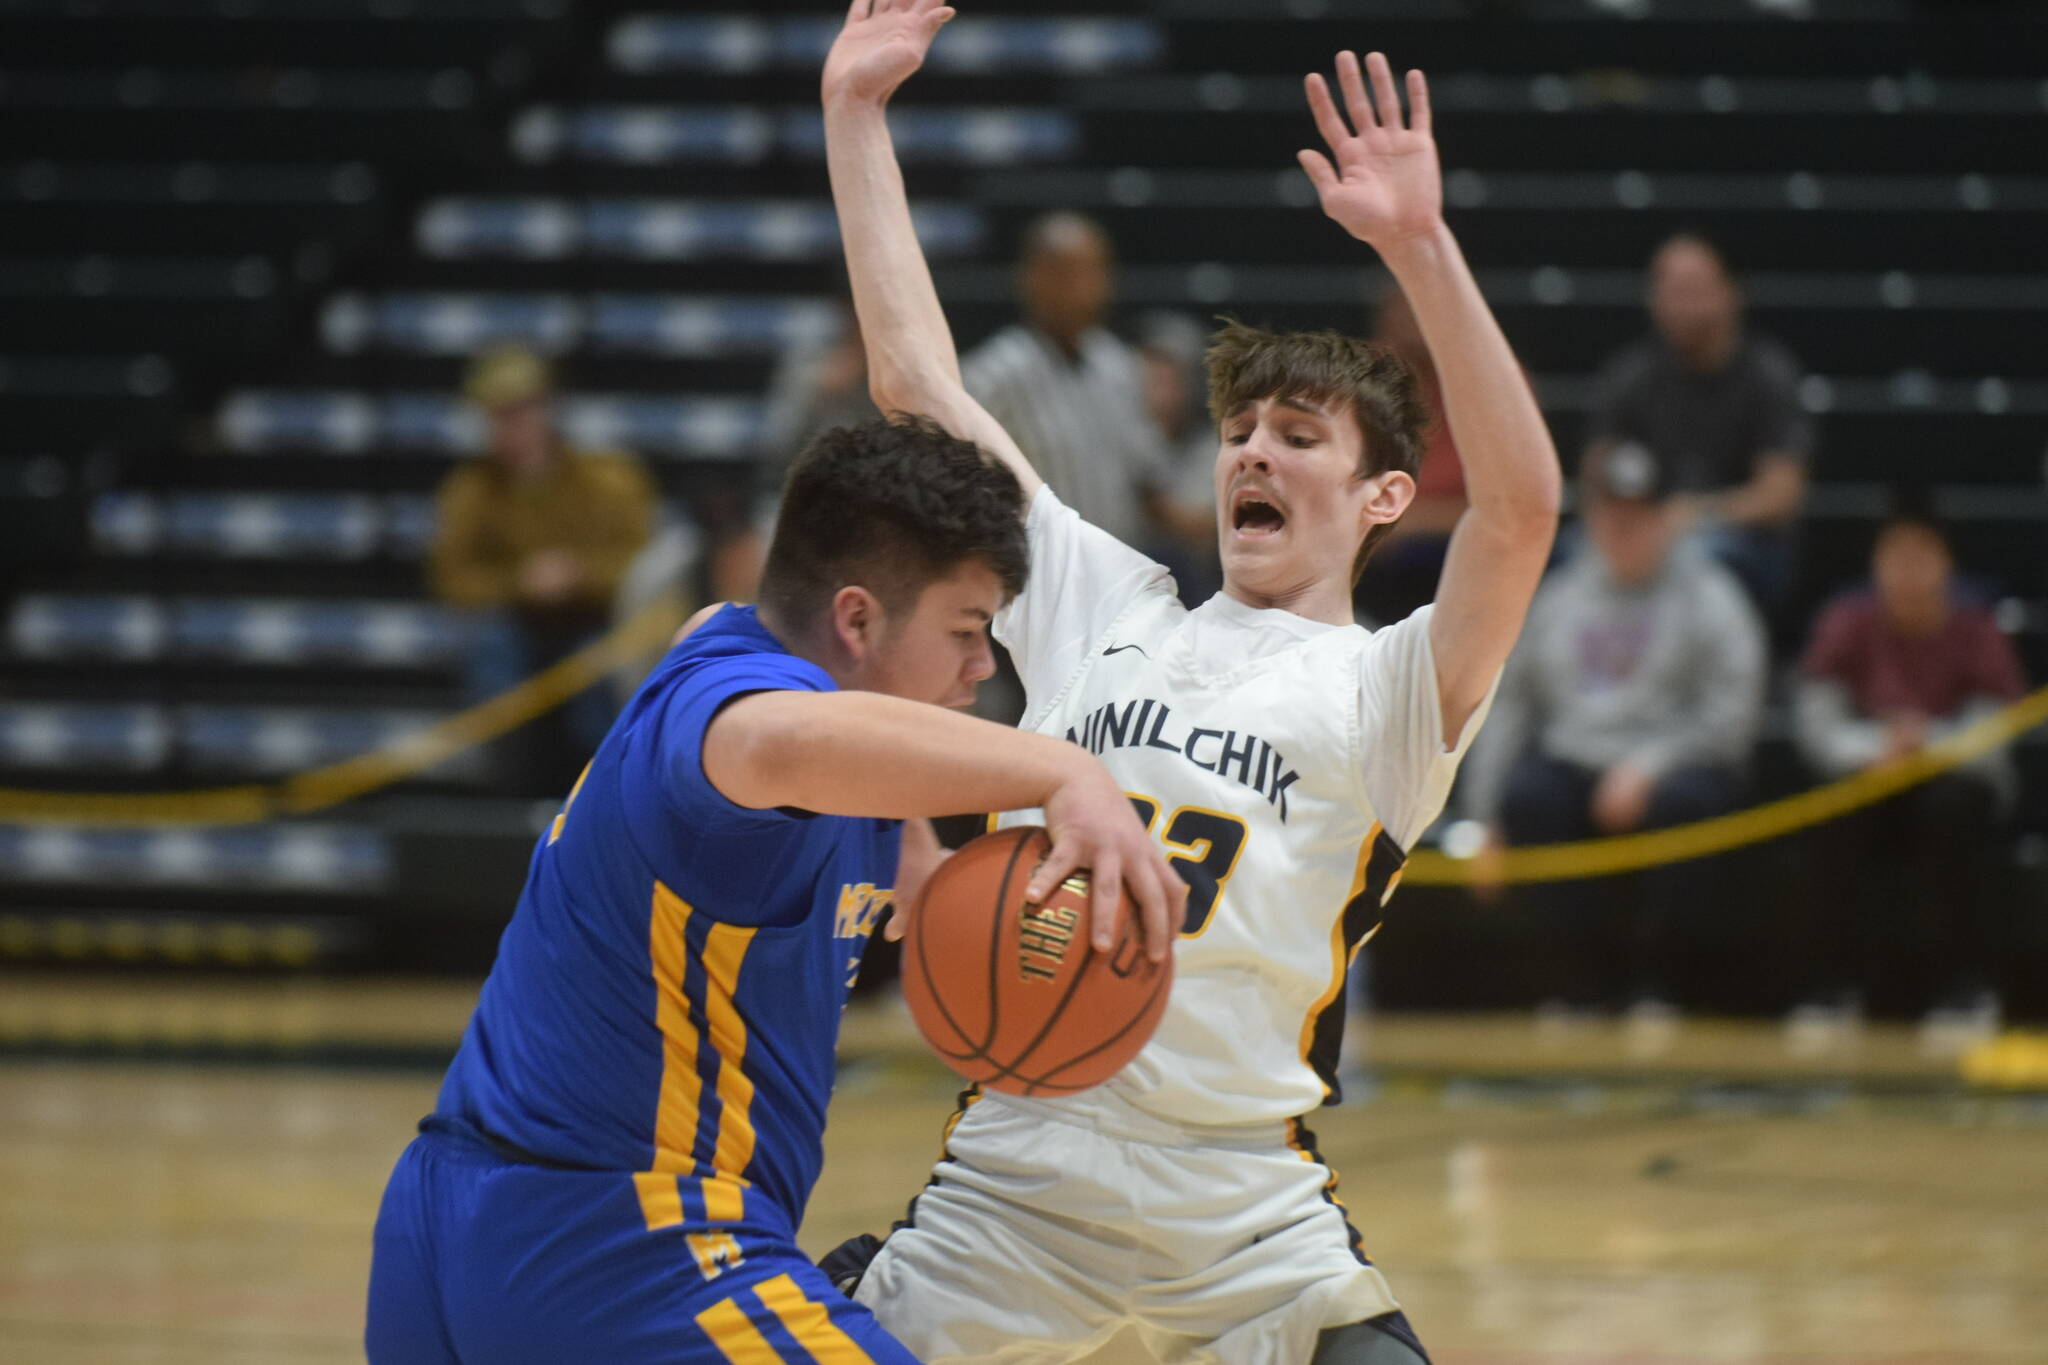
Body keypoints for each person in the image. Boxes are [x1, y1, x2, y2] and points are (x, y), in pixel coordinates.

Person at [822, 6, 1560, 1360]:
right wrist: (856, 116)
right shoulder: (1109, 595)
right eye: (1235, 433)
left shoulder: (1391, 684)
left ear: (1385, 491)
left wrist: (1419, 247)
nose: (1251, 458)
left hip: (1243, 1205)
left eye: (1295, 435)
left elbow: (1519, 515)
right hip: (1016, 1172)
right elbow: (916, 379)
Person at [367, 412, 1183, 1363]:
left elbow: (798, 703)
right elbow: (774, 740)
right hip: (628, 1237)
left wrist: (910, 831)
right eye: (966, 629)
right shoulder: (734, 727)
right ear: (856, 617)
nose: (982, 664)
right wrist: (1066, 774)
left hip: (447, 1218)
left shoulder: (718, 641)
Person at [1460, 442, 1765, 1014]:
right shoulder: (1558, 597)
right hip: (1576, 762)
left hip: (1674, 770)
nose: (1625, 529)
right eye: (1612, 512)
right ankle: (1575, 991)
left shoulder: (1714, 599)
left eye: (1641, 514)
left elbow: (1731, 719)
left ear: (1668, 516)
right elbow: (1511, 709)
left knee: (1688, 807)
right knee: (1529, 800)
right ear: (1594, 515)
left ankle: (1664, 988)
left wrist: (1649, 768)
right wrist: (1483, 819)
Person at [1792, 508, 2028, 1044]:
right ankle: (1831, 989)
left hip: (1955, 776)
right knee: (1835, 813)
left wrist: (1929, 748)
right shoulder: (1847, 620)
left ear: (1947, 564)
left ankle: (1965, 990)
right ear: (1875, 564)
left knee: (1951, 814)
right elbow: (1817, 720)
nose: (1909, 571)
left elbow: (1996, 730)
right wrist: (1874, 748)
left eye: (1923, 556)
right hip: (1869, 770)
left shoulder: (1977, 627)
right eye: (1896, 556)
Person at [430, 345, 656, 788]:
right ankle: (506, 784)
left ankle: (603, 784)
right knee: (492, 649)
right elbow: (452, 576)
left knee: (603, 664)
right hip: (514, 623)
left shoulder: (608, 478)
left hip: (594, 617)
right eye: (500, 414)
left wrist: (579, 575)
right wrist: (520, 583)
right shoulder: (470, 491)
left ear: (549, 407)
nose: (514, 425)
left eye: (523, 409)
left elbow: (643, 564)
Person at [1586, 233, 1812, 610]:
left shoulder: (1768, 376)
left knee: (1697, 558)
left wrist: (1696, 515)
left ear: (1731, 293)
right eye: (1671, 290)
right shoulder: (1631, 376)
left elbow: (1781, 494)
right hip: (1645, 527)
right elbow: (1597, 472)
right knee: (1568, 553)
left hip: (1738, 539)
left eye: (1694, 289)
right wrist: (1631, 526)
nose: (1683, 304)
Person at [962, 212, 1207, 555]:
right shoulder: (992, 373)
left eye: (1094, 272)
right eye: (1067, 274)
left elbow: (1150, 484)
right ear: (1030, 278)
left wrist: (1218, 527)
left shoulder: (1118, 364)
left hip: (1118, 571)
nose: (1084, 288)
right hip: (1034, 575)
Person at [1353, 285, 1468, 626]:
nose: (1416, 318)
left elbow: (1503, 505)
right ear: (1384, 314)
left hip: (1454, 550)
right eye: (1405, 306)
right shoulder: (1351, 380)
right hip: (1371, 549)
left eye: (1426, 303)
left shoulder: (1489, 379)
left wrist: (1403, 523)